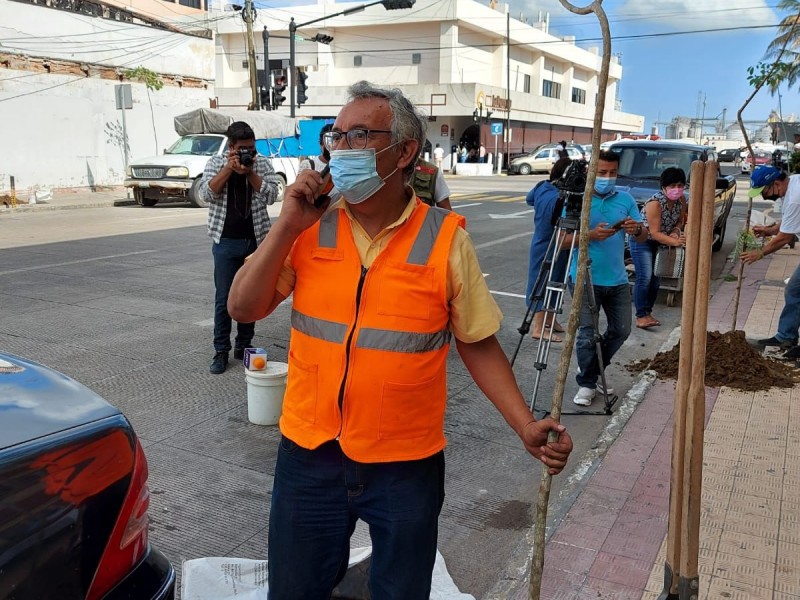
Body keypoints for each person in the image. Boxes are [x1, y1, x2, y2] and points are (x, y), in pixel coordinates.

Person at [227, 81, 573, 600]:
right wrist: (287, 225)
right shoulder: (310, 228)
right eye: (336, 136)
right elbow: (242, 307)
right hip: (310, 452)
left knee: (401, 591)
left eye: (359, 135)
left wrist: (524, 424)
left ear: (405, 151)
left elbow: (476, 342)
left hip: (404, 463)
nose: (341, 148)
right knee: (295, 589)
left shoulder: (444, 238)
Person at [566, 150, 649, 406]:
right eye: (602, 173)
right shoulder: (577, 201)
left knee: (621, 330)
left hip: (618, 280)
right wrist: (589, 235)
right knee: (588, 333)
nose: (607, 178)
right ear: (590, 172)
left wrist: (637, 230)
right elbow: (561, 241)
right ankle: (588, 384)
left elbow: (643, 235)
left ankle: (591, 372)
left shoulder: (625, 199)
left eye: (612, 173)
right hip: (584, 277)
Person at [200, 121, 281, 374]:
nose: (249, 154)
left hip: (256, 241)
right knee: (224, 299)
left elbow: (272, 195)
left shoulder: (262, 164)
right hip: (225, 241)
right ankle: (220, 350)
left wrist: (251, 173)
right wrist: (228, 169)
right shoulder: (216, 162)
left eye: (252, 149)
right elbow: (206, 194)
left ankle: (244, 345)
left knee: (251, 296)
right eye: (243, 149)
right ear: (232, 148)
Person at [741, 165, 800, 353]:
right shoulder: (793, 185)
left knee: (795, 290)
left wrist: (760, 253)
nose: (764, 197)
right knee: (795, 290)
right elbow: (789, 224)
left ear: (776, 184)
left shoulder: (794, 198)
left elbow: (785, 237)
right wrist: (769, 230)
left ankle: (787, 337)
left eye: (765, 191)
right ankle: (786, 337)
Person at [629, 167, 688, 329]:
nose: (677, 189)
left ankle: (647, 313)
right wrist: (674, 242)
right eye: (672, 185)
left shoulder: (681, 201)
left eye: (680, 185)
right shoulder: (655, 203)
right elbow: (654, 233)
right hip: (642, 241)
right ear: (663, 187)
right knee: (645, 276)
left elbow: (680, 220)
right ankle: (641, 316)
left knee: (656, 279)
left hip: (662, 241)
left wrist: (676, 231)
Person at [525, 157, 572, 342]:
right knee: (542, 284)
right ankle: (538, 327)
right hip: (550, 244)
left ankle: (551, 321)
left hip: (547, 244)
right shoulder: (561, 198)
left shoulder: (542, 187)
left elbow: (529, 200)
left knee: (556, 282)